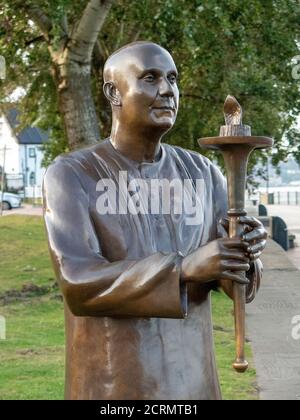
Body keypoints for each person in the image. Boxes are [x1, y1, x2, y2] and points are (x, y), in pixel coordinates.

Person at [43, 41, 267, 400]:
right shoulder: (72, 174)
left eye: (173, 79)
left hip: (193, 381)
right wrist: (184, 269)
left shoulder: (203, 172)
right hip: (114, 384)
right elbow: (78, 283)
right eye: (150, 78)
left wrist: (243, 253)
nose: (167, 90)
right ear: (113, 92)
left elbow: (232, 284)